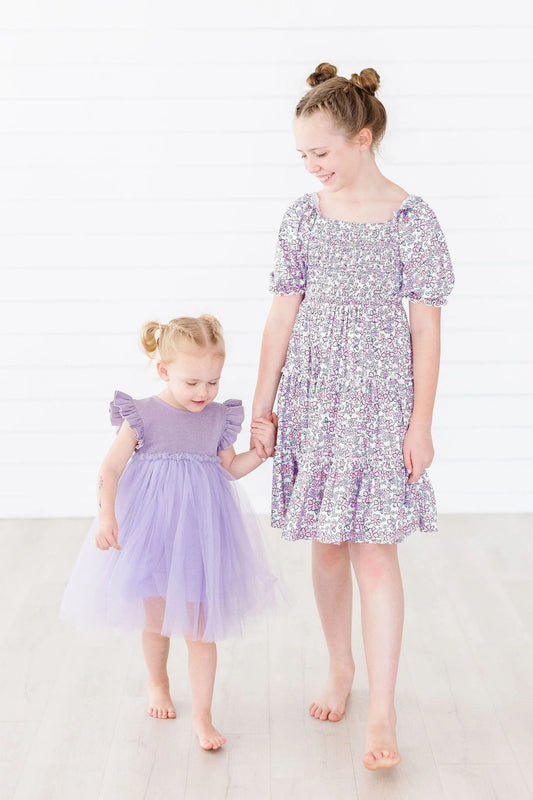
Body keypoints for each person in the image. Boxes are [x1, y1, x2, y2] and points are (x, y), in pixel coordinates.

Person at [251, 63, 454, 770]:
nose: (312, 167)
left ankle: (384, 704)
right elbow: (281, 314)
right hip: (313, 396)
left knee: (374, 549)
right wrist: (262, 404)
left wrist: (419, 424)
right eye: (302, 156)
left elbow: (425, 331)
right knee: (328, 544)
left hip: (378, 405)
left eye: (322, 153)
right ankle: (340, 665)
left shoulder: (410, 220)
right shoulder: (303, 217)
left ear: (362, 139)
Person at [61, 314, 280, 751]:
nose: (204, 393)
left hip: (202, 533)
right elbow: (110, 467)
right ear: (164, 371)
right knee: (156, 618)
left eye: (212, 383)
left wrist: (261, 452)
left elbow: (230, 469)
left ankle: (203, 714)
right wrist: (107, 515)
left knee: (201, 627)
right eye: (192, 382)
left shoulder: (218, 417)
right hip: (152, 529)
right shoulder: (142, 415)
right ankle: (158, 682)